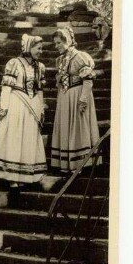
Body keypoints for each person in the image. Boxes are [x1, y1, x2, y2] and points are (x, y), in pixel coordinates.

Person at [0, 34, 47, 188]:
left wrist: (40, 109)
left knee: (27, 139)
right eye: (38, 48)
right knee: (14, 137)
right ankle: (11, 176)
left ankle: (24, 176)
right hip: (16, 104)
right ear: (29, 47)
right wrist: (4, 107)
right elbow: (6, 87)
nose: (40, 51)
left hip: (32, 106)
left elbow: (39, 90)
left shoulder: (39, 67)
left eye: (41, 48)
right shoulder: (14, 63)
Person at [51, 26, 101, 173]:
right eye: (55, 43)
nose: (57, 46)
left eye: (59, 43)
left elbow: (88, 80)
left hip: (77, 96)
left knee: (77, 129)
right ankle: (67, 164)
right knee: (66, 128)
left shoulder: (80, 57)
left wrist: (83, 100)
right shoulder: (60, 60)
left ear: (68, 41)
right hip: (65, 98)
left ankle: (79, 165)